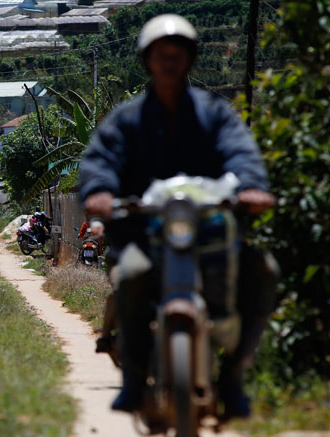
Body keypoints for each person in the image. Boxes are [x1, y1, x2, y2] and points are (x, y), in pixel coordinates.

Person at [77, 14, 278, 419]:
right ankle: (133, 379)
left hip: (210, 232)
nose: (169, 61)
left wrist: (252, 187)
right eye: (160, 54)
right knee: (129, 276)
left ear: (190, 59)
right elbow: (102, 160)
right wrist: (99, 192)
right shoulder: (126, 119)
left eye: (178, 53)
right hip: (141, 235)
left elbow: (241, 153)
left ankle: (234, 376)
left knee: (263, 270)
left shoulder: (216, 114)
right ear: (147, 60)